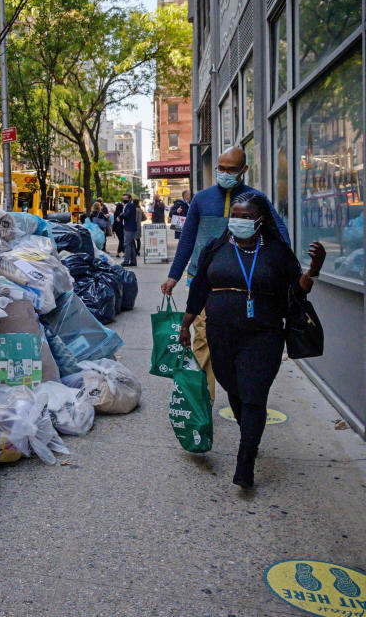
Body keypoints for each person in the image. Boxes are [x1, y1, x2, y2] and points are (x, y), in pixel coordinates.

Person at [180, 191, 325, 488]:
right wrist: (187, 323)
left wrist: (313, 270)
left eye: (246, 217)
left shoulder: (276, 252)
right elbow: (199, 288)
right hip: (220, 334)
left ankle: (245, 459)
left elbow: (295, 294)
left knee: (254, 395)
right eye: (235, 215)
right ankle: (249, 434)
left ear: (260, 220)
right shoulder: (216, 246)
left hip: (263, 335)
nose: (239, 221)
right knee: (233, 389)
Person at [161, 146, 289, 400]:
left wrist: (282, 273)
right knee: (202, 342)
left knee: (234, 343)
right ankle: (202, 401)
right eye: (221, 168)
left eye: (231, 169)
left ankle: (240, 394)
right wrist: (174, 276)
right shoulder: (201, 199)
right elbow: (187, 240)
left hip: (245, 286)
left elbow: (280, 236)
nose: (225, 173)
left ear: (244, 170)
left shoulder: (256, 201)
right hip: (205, 282)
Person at [121, 193, 138, 266]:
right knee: (131, 244)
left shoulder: (130, 205)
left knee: (127, 244)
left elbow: (127, 215)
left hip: (129, 228)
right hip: (127, 227)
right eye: (123, 198)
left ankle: (126, 261)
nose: (124, 200)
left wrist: (120, 215)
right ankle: (133, 261)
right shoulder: (127, 205)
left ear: (130, 199)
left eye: (126, 199)